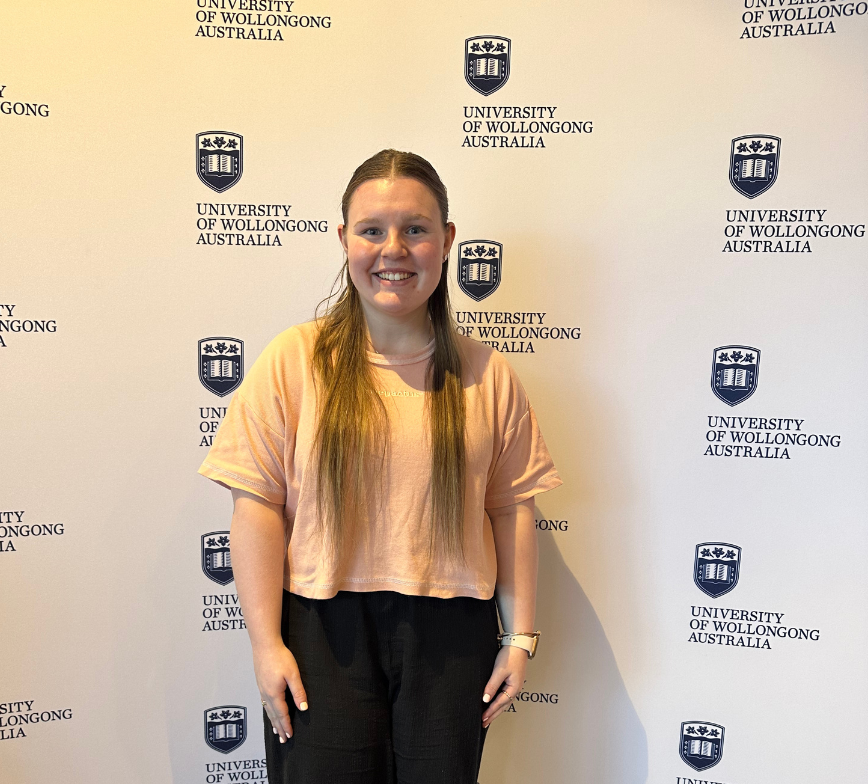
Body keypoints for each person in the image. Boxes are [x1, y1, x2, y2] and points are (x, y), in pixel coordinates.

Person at [198, 149, 562, 783]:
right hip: (321, 631)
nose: (393, 248)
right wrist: (265, 644)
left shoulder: (487, 374)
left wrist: (520, 636)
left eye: (415, 230)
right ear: (344, 240)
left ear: (446, 241)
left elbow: (510, 508)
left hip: (452, 638)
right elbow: (256, 506)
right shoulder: (294, 361)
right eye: (372, 230)